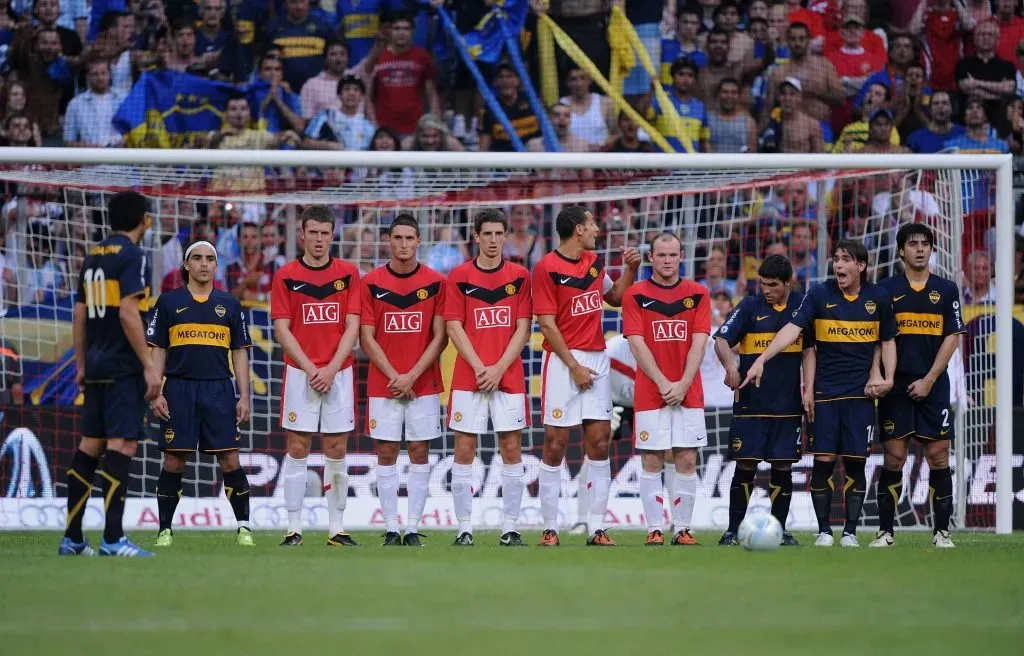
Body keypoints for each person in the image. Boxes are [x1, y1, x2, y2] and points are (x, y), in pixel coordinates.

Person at [742, 239, 897, 547]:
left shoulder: (878, 298)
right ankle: (824, 530)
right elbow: (791, 330)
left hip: (861, 393)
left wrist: (887, 377)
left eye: (845, 260)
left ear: (861, 266)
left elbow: (887, 340)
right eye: (836, 259)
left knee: (855, 462)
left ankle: (850, 531)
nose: (838, 265)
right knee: (824, 460)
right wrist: (762, 359)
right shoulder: (819, 294)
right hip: (825, 392)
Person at [59, 191, 161, 557]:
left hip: (97, 365)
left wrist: (82, 365)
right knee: (123, 446)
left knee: (90, 445)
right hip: (122, 366)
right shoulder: (133, 255)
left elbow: (79, 314)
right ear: (143, 220)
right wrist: (148, 365)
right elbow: (128, 313)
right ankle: (113, 539)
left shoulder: (92, 257)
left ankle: (72, 538)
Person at [531, 205, 640, 546]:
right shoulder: (546, 268)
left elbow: (616, 298)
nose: (597, 229)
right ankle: (550, 527)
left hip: (597, 357)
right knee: (555, 444)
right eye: (592, 224)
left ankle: (597, 527)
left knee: (597, 443)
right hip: (564, 362)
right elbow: (546, 325)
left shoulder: (594, 263)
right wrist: (575, 367)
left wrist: (631, 270)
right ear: (578, 229)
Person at [148, 241, 253, 547]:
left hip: (219, 389)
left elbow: (240, 353)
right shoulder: (167, 303)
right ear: (186, 265)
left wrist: (244, 395)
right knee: (174, 462)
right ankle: (165, 530)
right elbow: (158, 350)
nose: (204, 264)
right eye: (197, 258)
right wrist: (156, 391)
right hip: (178, 388)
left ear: (216, 266)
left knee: (230, 461)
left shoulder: (230, 305)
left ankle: (244, 527)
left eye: (210, 259)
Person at [271, 205, 362, 547]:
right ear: (303, 235)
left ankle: (336, 529)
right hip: (301, 374)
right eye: (314, 233)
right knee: (297, 447)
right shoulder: (287, 275)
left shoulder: (349, 273)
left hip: (338, 373)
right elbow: (282, 328)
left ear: (332, 235)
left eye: (325, 233)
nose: (320, 239)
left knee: (337, 448)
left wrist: (330, 369)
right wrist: (312, 369)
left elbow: (352, 325)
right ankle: (293, 529)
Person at [443, 209, 532, 547]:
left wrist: (496, 369)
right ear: (476, 236)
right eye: (488, 234)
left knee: (511, 449)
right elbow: (454, 325)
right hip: (470, 376)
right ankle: (464, 528)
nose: (494, 240)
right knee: (464, 450)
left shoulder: (520, 276)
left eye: (499, 234)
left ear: (505, 236)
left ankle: (510, 527)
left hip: (507, 376)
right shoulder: (459, 276)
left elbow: (523, 328)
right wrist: (481, 366)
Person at [873, 223, 965, 549]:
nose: (920, 249)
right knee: (894, 457)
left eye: (925, 243)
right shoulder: (884, 290)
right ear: (901, 250)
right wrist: (879, 376)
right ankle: (885, 532)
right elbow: (879, 340)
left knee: (939, 456)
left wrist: (928, 380)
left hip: (933, 385)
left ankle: (942, 532)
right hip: (896, 386)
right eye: (913, 244)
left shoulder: (947, 289)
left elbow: (952, 338)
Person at [715, 254, 814, 546]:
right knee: (745, 465)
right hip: (751, 404)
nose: (766, 290)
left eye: (772, 285)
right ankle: (733, 530)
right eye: (762, 284)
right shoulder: (749, 306)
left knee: (782, 468)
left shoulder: (802, 305)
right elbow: (721, 339)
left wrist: (808, 388)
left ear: (788, 282)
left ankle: (780, 530)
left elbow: (809, 350)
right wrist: (730, 367)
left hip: (787, 406)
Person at [359, 214, 447, 546]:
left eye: (410, 238)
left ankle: (412, 527)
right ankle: (392, 527)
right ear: (388, 241)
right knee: (386, 451)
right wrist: (397, 376)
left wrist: (411, 375)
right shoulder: (370, 283)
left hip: (423, 382)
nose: (404, 244)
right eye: (398, 238)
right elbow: (367, 337)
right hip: (385, 382)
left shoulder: (437, 282)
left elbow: (440, 337)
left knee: (420, 450)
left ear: (419, 241)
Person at [622, 233, 710, 546]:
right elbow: (636, 342)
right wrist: (663, 383)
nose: (667, 261)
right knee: (651, 461)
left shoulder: (698, 294)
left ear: (682, 256)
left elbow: (700, 342)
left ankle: (683, 528)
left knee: (686, 459)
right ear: (651, 258)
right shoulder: (635, 294)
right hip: (650, 392)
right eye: (661, 256)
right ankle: (654, 529)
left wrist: (683, 383)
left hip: (688, 391)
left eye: (673, 255)